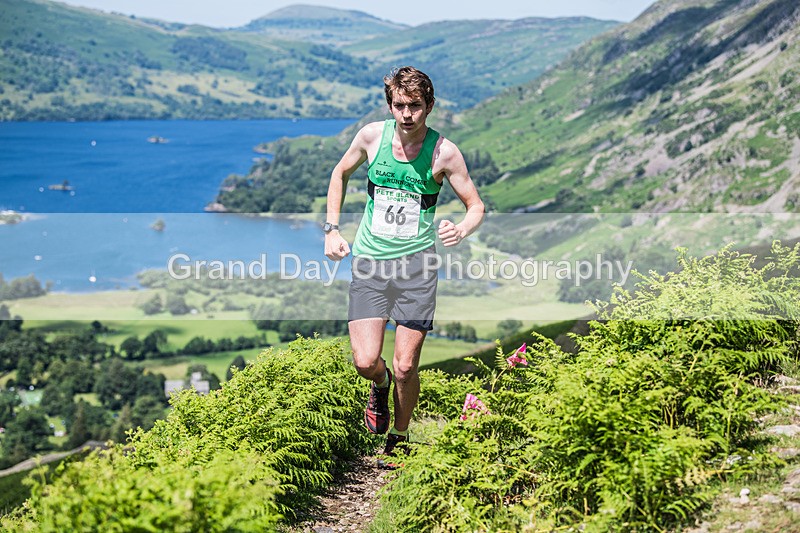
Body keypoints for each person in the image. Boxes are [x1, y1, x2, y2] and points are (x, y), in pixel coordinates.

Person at [324, 66, 484, 466]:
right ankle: (378, 386)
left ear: (429, 106)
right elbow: (339, 173)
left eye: (415, 105)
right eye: (399, 105)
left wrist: (462, 229)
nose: (407, 114)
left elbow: (476, 205)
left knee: (406, 364)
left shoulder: (444, 153)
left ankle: (400, 436)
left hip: (417, 270)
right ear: (390, 105)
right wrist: (331, 229)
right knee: (366, 361)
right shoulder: (371, 137)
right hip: (370, 264)